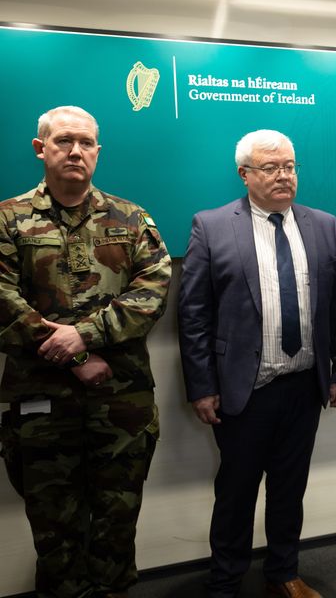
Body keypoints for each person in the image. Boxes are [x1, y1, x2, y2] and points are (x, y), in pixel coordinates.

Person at [178, 129, 336, 598]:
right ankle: (226, 580)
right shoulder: (212, 225)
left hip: (303, 386)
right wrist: (201, 386)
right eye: (271, 168)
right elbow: (193, 314)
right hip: (243, 389)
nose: (284, 176)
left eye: (290, 167)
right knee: (236, 492)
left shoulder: (323, 224)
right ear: (245, 174)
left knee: (289, 488)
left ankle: (284, 572)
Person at [0, 105, 171, 598]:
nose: (76, 151)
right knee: (54, 531)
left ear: (98, 150)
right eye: (63, 141)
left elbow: (153, 291)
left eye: (86, 143)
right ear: (41, 148)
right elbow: (3, 302)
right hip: (42, 403)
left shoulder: (131, 217)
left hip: (121, 402)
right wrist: (76, 357)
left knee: (119, 523)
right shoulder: (8, 219)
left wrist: (86, 336)